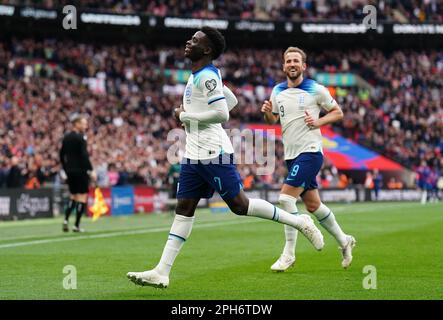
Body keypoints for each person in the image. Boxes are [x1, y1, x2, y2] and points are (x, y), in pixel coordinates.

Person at [127, 27, 324, 289]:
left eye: (195, 40)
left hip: (213, 153)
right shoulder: (202, 74)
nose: (189, 42)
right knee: (183, 209)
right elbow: (230, 100)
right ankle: (162, 271)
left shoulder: (206, 76)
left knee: (240, 206)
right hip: (193, 154)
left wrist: (186, 117)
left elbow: (223, 113)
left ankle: (298, 221)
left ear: (207, 50)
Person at [261, 46, 356, 271]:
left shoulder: (315, 88)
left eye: (296, 61)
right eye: (288, 61)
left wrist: (318, 122)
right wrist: (267, 111)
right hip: (291, 155)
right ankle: (344, 240)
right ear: (284, 66)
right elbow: (271, 121)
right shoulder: (277, 91)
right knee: (313, 205)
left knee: (285, 199)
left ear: (303, 66)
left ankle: (289, 254)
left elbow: (338, 112)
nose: (292, 64)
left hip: (311, 151)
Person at [59, 114, 96, 232]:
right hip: (80, 170)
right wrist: (91, 169)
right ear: (77, 124)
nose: (86, 126)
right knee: (82, 197)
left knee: (73, 196)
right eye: (84, 123)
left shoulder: (66, 137)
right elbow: (84, 155)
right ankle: (76, 225)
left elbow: (61, 155)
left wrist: (66, 168)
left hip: (70, 171)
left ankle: (65, 220)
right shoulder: (81, 137)